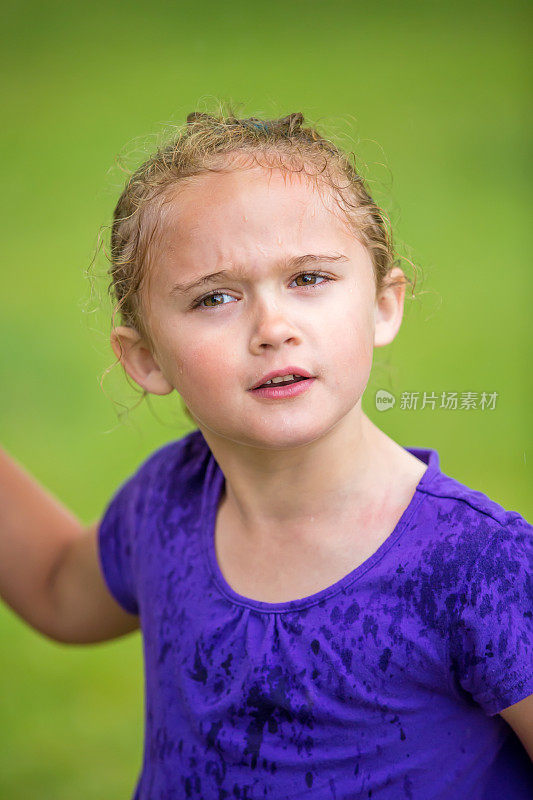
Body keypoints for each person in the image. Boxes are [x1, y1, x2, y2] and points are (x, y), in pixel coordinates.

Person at [1, 108, 532, 799]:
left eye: (308, 279)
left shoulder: (478, 564)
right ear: (145, 358)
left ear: (382, 305)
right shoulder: (166, 503)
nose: (272, 328)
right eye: (214, 297)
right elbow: (54, 591)